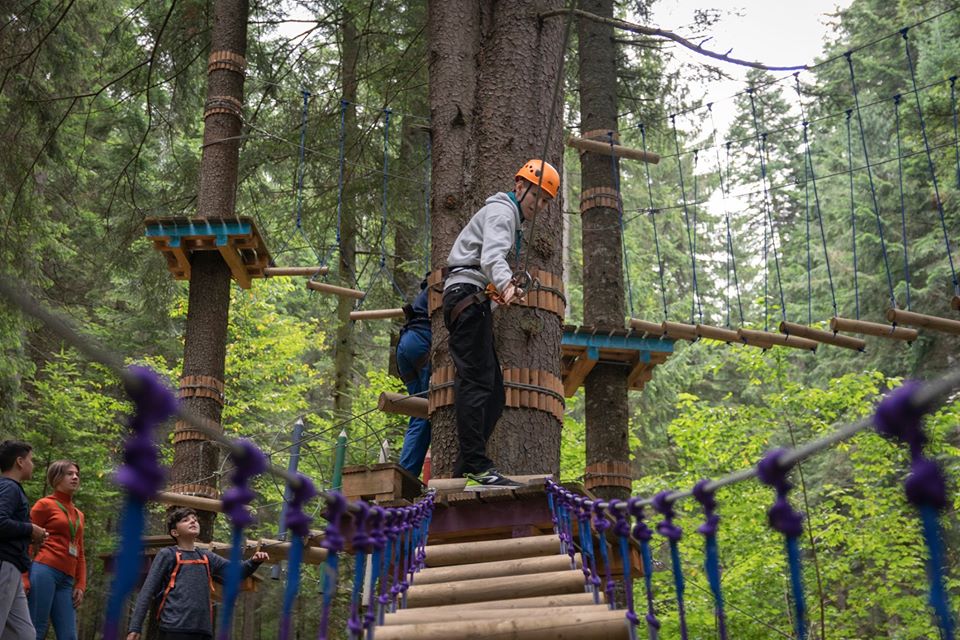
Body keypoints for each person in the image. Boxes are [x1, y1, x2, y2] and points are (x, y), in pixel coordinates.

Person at [442, 159, 559, 490]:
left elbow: (487, 262)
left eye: (546, 201)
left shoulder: (508, 217)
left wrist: (502, 289)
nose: (540, 204)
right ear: (519, 187)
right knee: (477, 384)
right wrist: (506, 285)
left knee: (493, 395)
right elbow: (491, 258)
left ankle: (464, 471)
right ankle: (478, 468)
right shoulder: (502, 212)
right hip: (467, 297)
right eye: (536, 195)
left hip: (471, 298)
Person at [126, 508, 269, 640]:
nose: (193, 521)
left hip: (203, 631)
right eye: (185, 520)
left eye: (194, 518)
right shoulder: (168, 554)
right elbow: (147, 590)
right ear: (175, 532)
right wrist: (135, 627)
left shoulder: (207, 556)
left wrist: (254, 561)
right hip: (173, 629)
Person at [27, 461, 86, 640]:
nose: (75, 477)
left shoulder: (79, 514)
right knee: (37, 627)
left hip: (67, 579)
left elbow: (80, 551)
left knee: (69, 635)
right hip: (44, 570)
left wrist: (81, 584)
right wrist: (24, 577)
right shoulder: (44, 505)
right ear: (56, 478)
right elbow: (26, 541)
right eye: (69, 474)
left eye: (76, 473)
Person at [0, 441, 45, 640]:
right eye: (30, 460)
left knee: (24, 634)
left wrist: (30, 535)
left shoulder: (11, 488)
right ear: (20, 462)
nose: (32, 465)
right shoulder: (9, 487)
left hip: (14, 567)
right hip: (4, 563)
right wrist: (30, 529)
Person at [396, 279, 432, 479]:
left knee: (421, 413)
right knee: (430, 408)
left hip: (405, 345)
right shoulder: (450, 281)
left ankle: (405, 475)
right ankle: (407, 477)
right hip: (421, 342)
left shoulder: (427, 291)